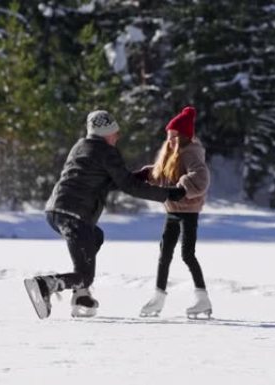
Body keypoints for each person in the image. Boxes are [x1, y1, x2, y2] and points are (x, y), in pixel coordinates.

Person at [24, 110, 186, 319]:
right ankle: (46, 284)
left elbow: (107, 180)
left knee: (95, 237)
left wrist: (140, 175)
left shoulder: (81, 146)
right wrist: (168, 195)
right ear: (107, 133)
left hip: (55, 211)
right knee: (84, 275)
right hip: (75, 215)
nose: (118, 136)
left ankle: (81, 296)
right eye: (115, 132)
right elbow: (129, 186)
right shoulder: (107, 152)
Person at [136, 106, 212, 319]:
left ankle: (202, 297)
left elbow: (201, 176)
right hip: (172, 209)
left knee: (187, 254)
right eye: (168, 136)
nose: (169, 141)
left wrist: (183, 187)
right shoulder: (171, 153)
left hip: (188, 210)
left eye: (173, 137)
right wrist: (146, 174)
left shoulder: (191, 153)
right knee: (165, 252)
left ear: (184, 137)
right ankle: (158, 296)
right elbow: (162, 174)